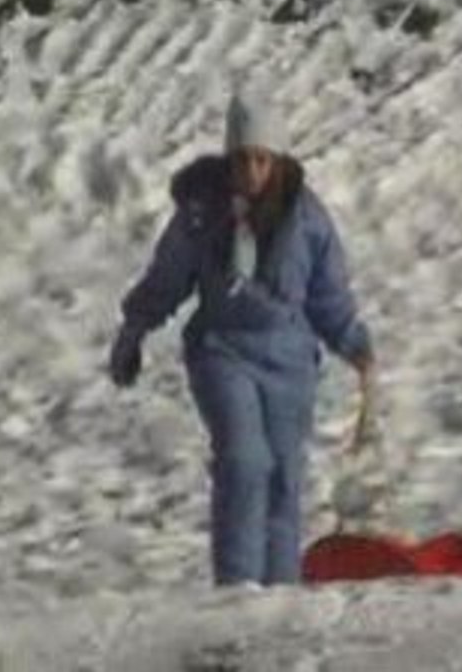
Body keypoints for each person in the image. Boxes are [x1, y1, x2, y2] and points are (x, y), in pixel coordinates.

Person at [107, 89, 375, 588]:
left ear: (276, 160)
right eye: (242, 159)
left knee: (282, 478)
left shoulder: (307, 219)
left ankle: (280, 593)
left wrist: (354, 343)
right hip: (222, 350)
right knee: (245, 462)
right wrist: (134, 329)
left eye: (261, 160)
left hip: (289, 360)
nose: (251, 171)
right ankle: (238, 591)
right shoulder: (203, 213)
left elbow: (327, 293)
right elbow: (168, 276)